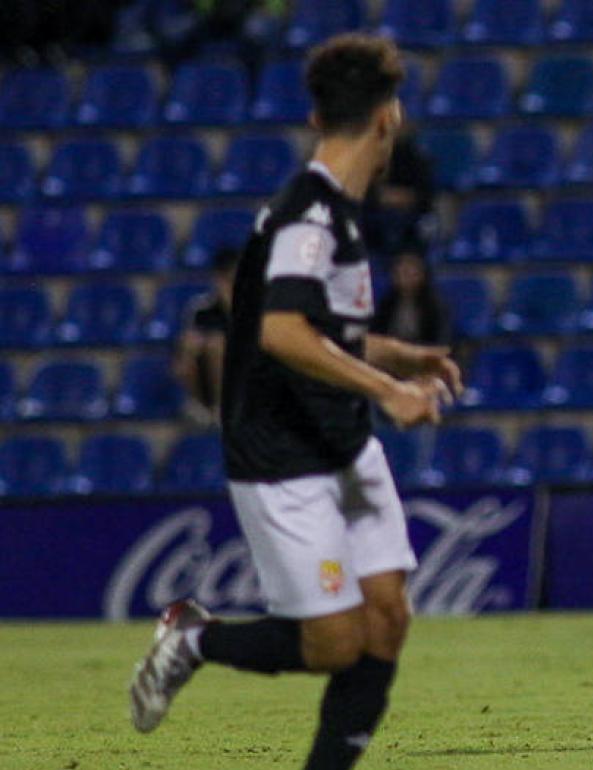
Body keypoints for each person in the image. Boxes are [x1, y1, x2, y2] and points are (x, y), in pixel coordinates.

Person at [128, 33, 462, 770]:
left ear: (319, 117)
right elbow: (282, 333)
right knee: (335, 642)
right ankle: (194, 637)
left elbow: (320, 331)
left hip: (342, 440)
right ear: (386, 120)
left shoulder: (336, 215)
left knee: (388, 620)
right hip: (282, 456)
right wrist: (393, 391)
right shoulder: (309, 219)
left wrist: (396, 353)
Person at [173, 246, 239, 424]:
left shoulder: (252, 307)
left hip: (242, 368)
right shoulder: (201, 308)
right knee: (191, 347)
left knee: (218, 345)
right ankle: (198, 404)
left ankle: (223, 406)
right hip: (207, 372)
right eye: (225, 278)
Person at [362, 128, 436, 255]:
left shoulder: (413, 156)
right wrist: (380, 197)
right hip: (372, 223)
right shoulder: (364, 160)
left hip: (410, 224)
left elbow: (424, 194)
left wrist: (405, 197)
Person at [371, 249, 450, 347]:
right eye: (398, 273)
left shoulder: (435, 305)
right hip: (391, 354)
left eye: (407, 273)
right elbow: (377, 333)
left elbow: (440, 339)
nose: (402, 278)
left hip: (424, 354)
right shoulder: (387, 302)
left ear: (421, 275)